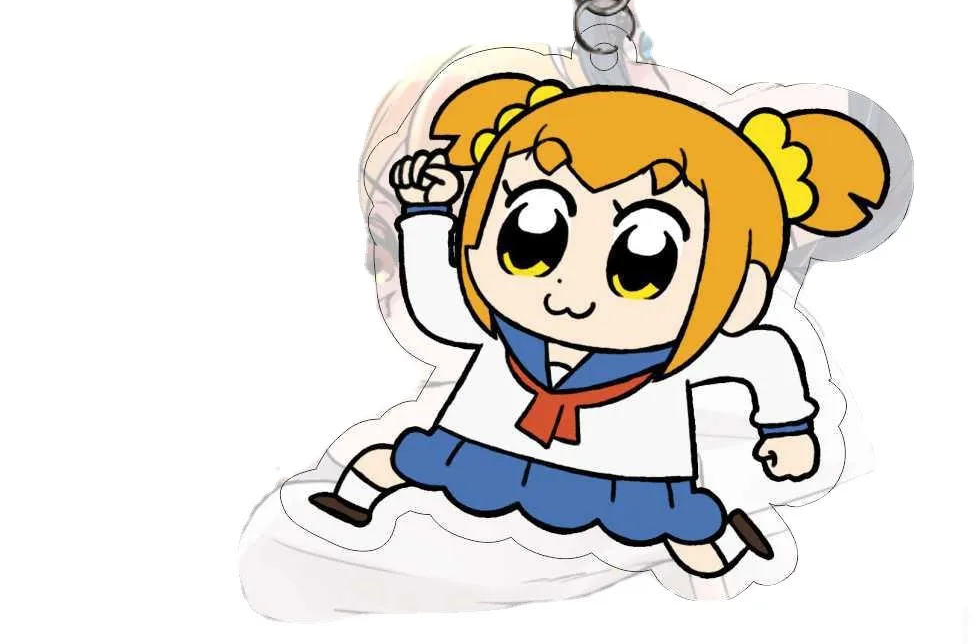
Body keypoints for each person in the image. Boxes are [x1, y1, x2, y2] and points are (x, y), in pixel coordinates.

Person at [311, 74, 888, 578]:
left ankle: (734, 543)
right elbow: (438, 309)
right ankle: (351, 502)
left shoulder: (677, 362)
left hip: (629, 475)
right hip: (483, 441)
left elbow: (764, 355)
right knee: (393, 464)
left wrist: (787, 430)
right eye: (529, 243)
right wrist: (428, 216)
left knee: (694, 542)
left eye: (641, 269)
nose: (569, 295)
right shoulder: (500, 338)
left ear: (742, 293)